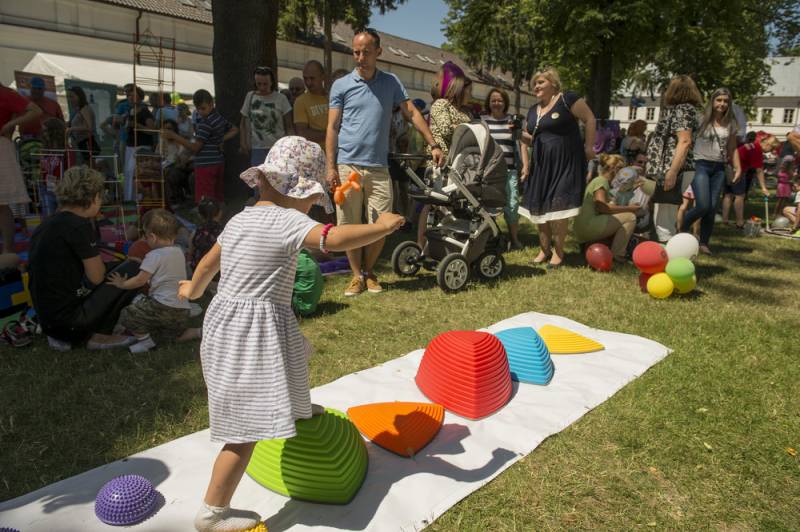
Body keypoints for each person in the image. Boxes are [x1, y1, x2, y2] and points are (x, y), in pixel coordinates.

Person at [178, 136, 404, 532]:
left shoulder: (239, 219)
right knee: (243, 433)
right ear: (301, 192)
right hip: (251, 331)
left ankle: (297, 409)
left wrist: (192, 291)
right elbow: (334, 240)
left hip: (227, 324)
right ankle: (213, 511)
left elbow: (210, 264)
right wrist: (379, 227)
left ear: (264, 180)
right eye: (313, 199)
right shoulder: (290, 220)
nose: (312, 206)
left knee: (294, 358)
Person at [325, 28, 443, 296]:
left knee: (382, 223)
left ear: (378, 52)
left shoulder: (391, 82)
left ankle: (369, 272)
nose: (360, 57)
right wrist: (330, 167)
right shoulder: (341, 85)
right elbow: (332, 127)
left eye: (366, 52)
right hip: (347, 165)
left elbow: (411, 112)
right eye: (356, 52)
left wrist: (433, 143)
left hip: (379, 166)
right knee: (348, 225)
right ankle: (357, 276)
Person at [28, 166, 140, 351]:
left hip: (49, 320)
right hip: (71, 322)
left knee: (119, 266)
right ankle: (97, 332)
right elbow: (96, 277)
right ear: (93, 197)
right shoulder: (78, 225)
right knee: (133, 268)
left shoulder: (46, 224)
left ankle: (71, 334)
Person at [519, 67, 597, 268]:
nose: (536, 86)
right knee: (540, 207)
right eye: (535, 83)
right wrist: (519, 141)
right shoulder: (533, 110)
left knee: (559, 206)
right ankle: (544, 249)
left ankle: (559, 252)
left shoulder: (567, 99)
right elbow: (529, 139)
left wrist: (589, 146)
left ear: (553, 83)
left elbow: (590, 119)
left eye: (541, 82)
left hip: (567, 162)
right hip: (541, 165)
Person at [107, 208, 200, 353]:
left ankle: (146, 343)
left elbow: (140, 280)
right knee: (174, 336)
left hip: (162, 305)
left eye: (145, 236)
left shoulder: (153, 255)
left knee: (128, 314)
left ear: (152, 237)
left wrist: (122, 284)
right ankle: (201, 332)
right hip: (182, 308)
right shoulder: (178, 252)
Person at [415, 61, 472, 248]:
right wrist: (466, 128)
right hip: (439, 163)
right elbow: (447, 130)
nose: (470, 95)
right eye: (468, 91)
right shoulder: (441, 104)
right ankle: (421, 242)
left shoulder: (463, 111)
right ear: (459, 90)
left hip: (457, 164)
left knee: (448, 205)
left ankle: (443, 242)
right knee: (432, 203)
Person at [680, 87, 738, 254]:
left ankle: (704, 243)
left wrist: (738, 167)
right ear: (712, 101)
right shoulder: (699, 119)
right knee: (703, 205)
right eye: (719, 100)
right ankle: (681, 230)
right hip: (700, 165)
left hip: (719, 168)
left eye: (726, 101)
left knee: (712, 208)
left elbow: (732, 148)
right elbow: (685, 139)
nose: (722, 104)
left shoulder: (731, 123)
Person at [644, 75, 702, 242]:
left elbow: (684, 141)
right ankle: (663, 247)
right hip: (667, 168)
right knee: (662, 212)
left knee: (665, 216)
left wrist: (673, 172)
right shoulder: (679, 109)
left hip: (673, 168)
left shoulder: (683, 110)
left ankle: (666, 250)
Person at [163, 89, 239, 203]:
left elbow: (195, 147)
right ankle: (219, 213)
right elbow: (234, 129)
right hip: (218, 162)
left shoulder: (205, 123)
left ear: (211, 104)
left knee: (206, 200)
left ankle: (208, 214)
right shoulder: (218, 118)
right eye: (198, 109)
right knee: (217, 197)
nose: (201, 112)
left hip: (206, 165)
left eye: (203, 108)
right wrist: (220, 140)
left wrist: (175, 136)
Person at [482, 87, 529, 249]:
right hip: (489, 172)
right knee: (489, 205)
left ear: (505, 103)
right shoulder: (482, 121)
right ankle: (489, 238)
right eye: (493, 100)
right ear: (488, 102)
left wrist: (526, 166)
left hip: (510, 171)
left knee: (512, 204)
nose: (497, 103)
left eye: (500, 100)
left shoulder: (512, 120)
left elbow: (523, 144)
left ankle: (514, 239)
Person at [573, 154, 640, 262]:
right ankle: (617, 254)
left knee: (624, 216)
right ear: (614, 169)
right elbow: (602, 207)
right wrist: (630, 208)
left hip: (583, 226)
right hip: (588, 226)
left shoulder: (600, 181)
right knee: (630, 217)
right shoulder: (601, 181)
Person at [1, 83, 40, 253]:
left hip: (2, 147)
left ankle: (8, 250)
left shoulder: (6, 93)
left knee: (2, 203)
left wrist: (10, 124)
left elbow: (35, 111)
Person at [722, 132, 780, 228]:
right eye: (772, 148)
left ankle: (725, 220)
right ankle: (740, 222)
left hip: (729, 168)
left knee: (728, 194)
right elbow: (759, 170)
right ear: (768, 145)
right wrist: (763, 188)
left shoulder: (753, 145)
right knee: (740, 196)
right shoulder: (757, 150)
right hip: (738, 170)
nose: (771, 151)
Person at [239, 66, 292, 167]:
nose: (262, 87)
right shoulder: (250, 96)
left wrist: (291, 145)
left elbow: (289, 126)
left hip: (278, 147)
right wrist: (243, 142)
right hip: (257, 148)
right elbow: (243, 123)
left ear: (272, 82)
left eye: (265, 84)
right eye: (259, 84)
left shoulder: (281, 98)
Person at [123, 86, 156, 201]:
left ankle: (139, 199)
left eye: (133, 95)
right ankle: (129, 199)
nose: (130, 98)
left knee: (135, 171)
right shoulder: (130, 111)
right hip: (130, 146)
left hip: (142, 146)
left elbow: (152, 131)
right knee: (128, 172)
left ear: (140, 97)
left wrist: (138, 126)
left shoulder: (145, 112)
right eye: (129, 95)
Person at [293, 60, 328, 146]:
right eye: (305, 78)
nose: (308, 83)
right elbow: (303, 133)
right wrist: (333, 133)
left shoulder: (333, 96)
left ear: (322, 77)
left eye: (312, 78)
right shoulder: (300, 101)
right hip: (316, 152)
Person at [189, 197, 224, 272]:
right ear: (220, 213)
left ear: (200, 215)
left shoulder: (196, 233)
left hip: (199, 272)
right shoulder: (224, 232)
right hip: (219, 271)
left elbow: (190, 254)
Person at [66, 86, 97, 166]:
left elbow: (89, 127)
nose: (70, 99)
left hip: (86, 143)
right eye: (68, 97)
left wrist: (72, 129)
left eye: (72, 96)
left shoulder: (85, 109)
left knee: (90, 167)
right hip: (79, 143)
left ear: (79, 96)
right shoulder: (77, 110)